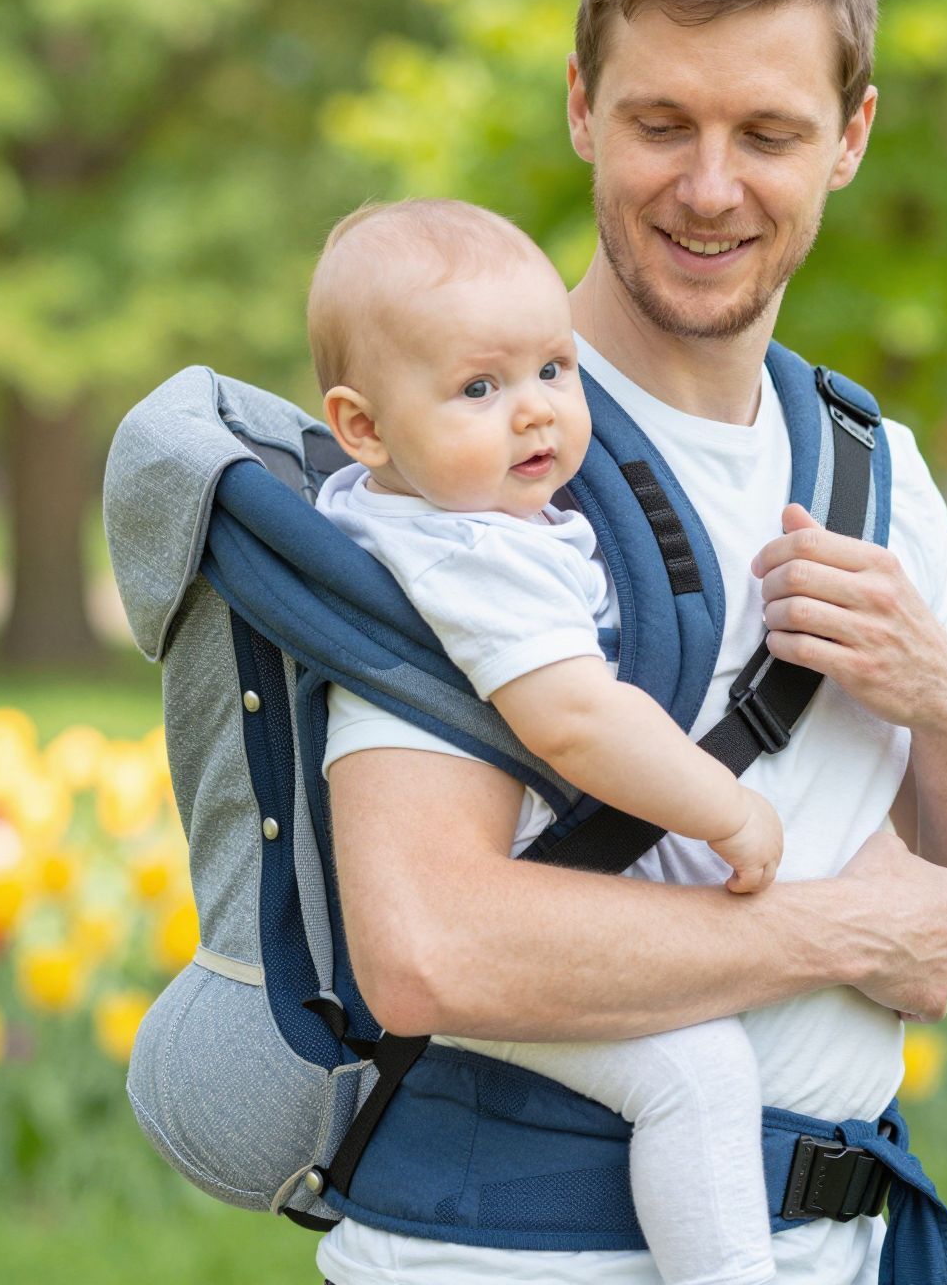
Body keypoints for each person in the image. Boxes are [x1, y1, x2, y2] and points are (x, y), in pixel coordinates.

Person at [319, 0, 947, 1285]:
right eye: (661, 123)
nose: (709, 187)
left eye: (768, 133)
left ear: (850, 138)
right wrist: (827, 932)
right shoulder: (471, 462)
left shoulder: (876, 472)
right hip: (519, 1258)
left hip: (844, 1245)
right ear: (581, 108)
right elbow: (426, 948)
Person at [310, 196, 790, 1285]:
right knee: (697, 1073)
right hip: (507, 937)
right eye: (479, 389)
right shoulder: (468, 554)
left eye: (552, 370)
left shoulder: (421, 513)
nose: (533, 412)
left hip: (513, 910)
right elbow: (573, 718)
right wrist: (727, 812)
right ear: (364, 428)